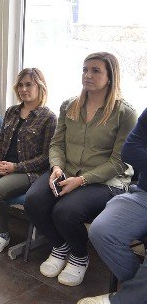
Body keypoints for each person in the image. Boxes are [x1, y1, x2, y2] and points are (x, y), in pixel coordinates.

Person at [24, 52, 137, 287]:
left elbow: (119, 161)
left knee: (65, 211)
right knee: (33, 201)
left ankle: (79, 255)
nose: (88, 75)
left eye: (96, 70)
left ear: (110, 76)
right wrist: (56, 167)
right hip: (67, 170)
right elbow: (57, 144)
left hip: (106, 181)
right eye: (85, 70)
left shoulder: (125, 113)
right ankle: (59, 245)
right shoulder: (69, 106)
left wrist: (82, 180)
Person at [0, 68, 57, 254]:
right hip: (1, 164)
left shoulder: (48, 118)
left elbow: (46, 157)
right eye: (20, 85)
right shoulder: (11, 112)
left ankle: (2, 232)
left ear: (40, 87)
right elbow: (0, 142)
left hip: (27, 171)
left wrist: (15, 167)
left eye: (29, 84)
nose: (23, 89)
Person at [77, 108, 147, 304]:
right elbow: (130, 149)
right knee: (101, 230)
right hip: (143, 193)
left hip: (110, 182)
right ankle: (138, 294)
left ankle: (126, 299)